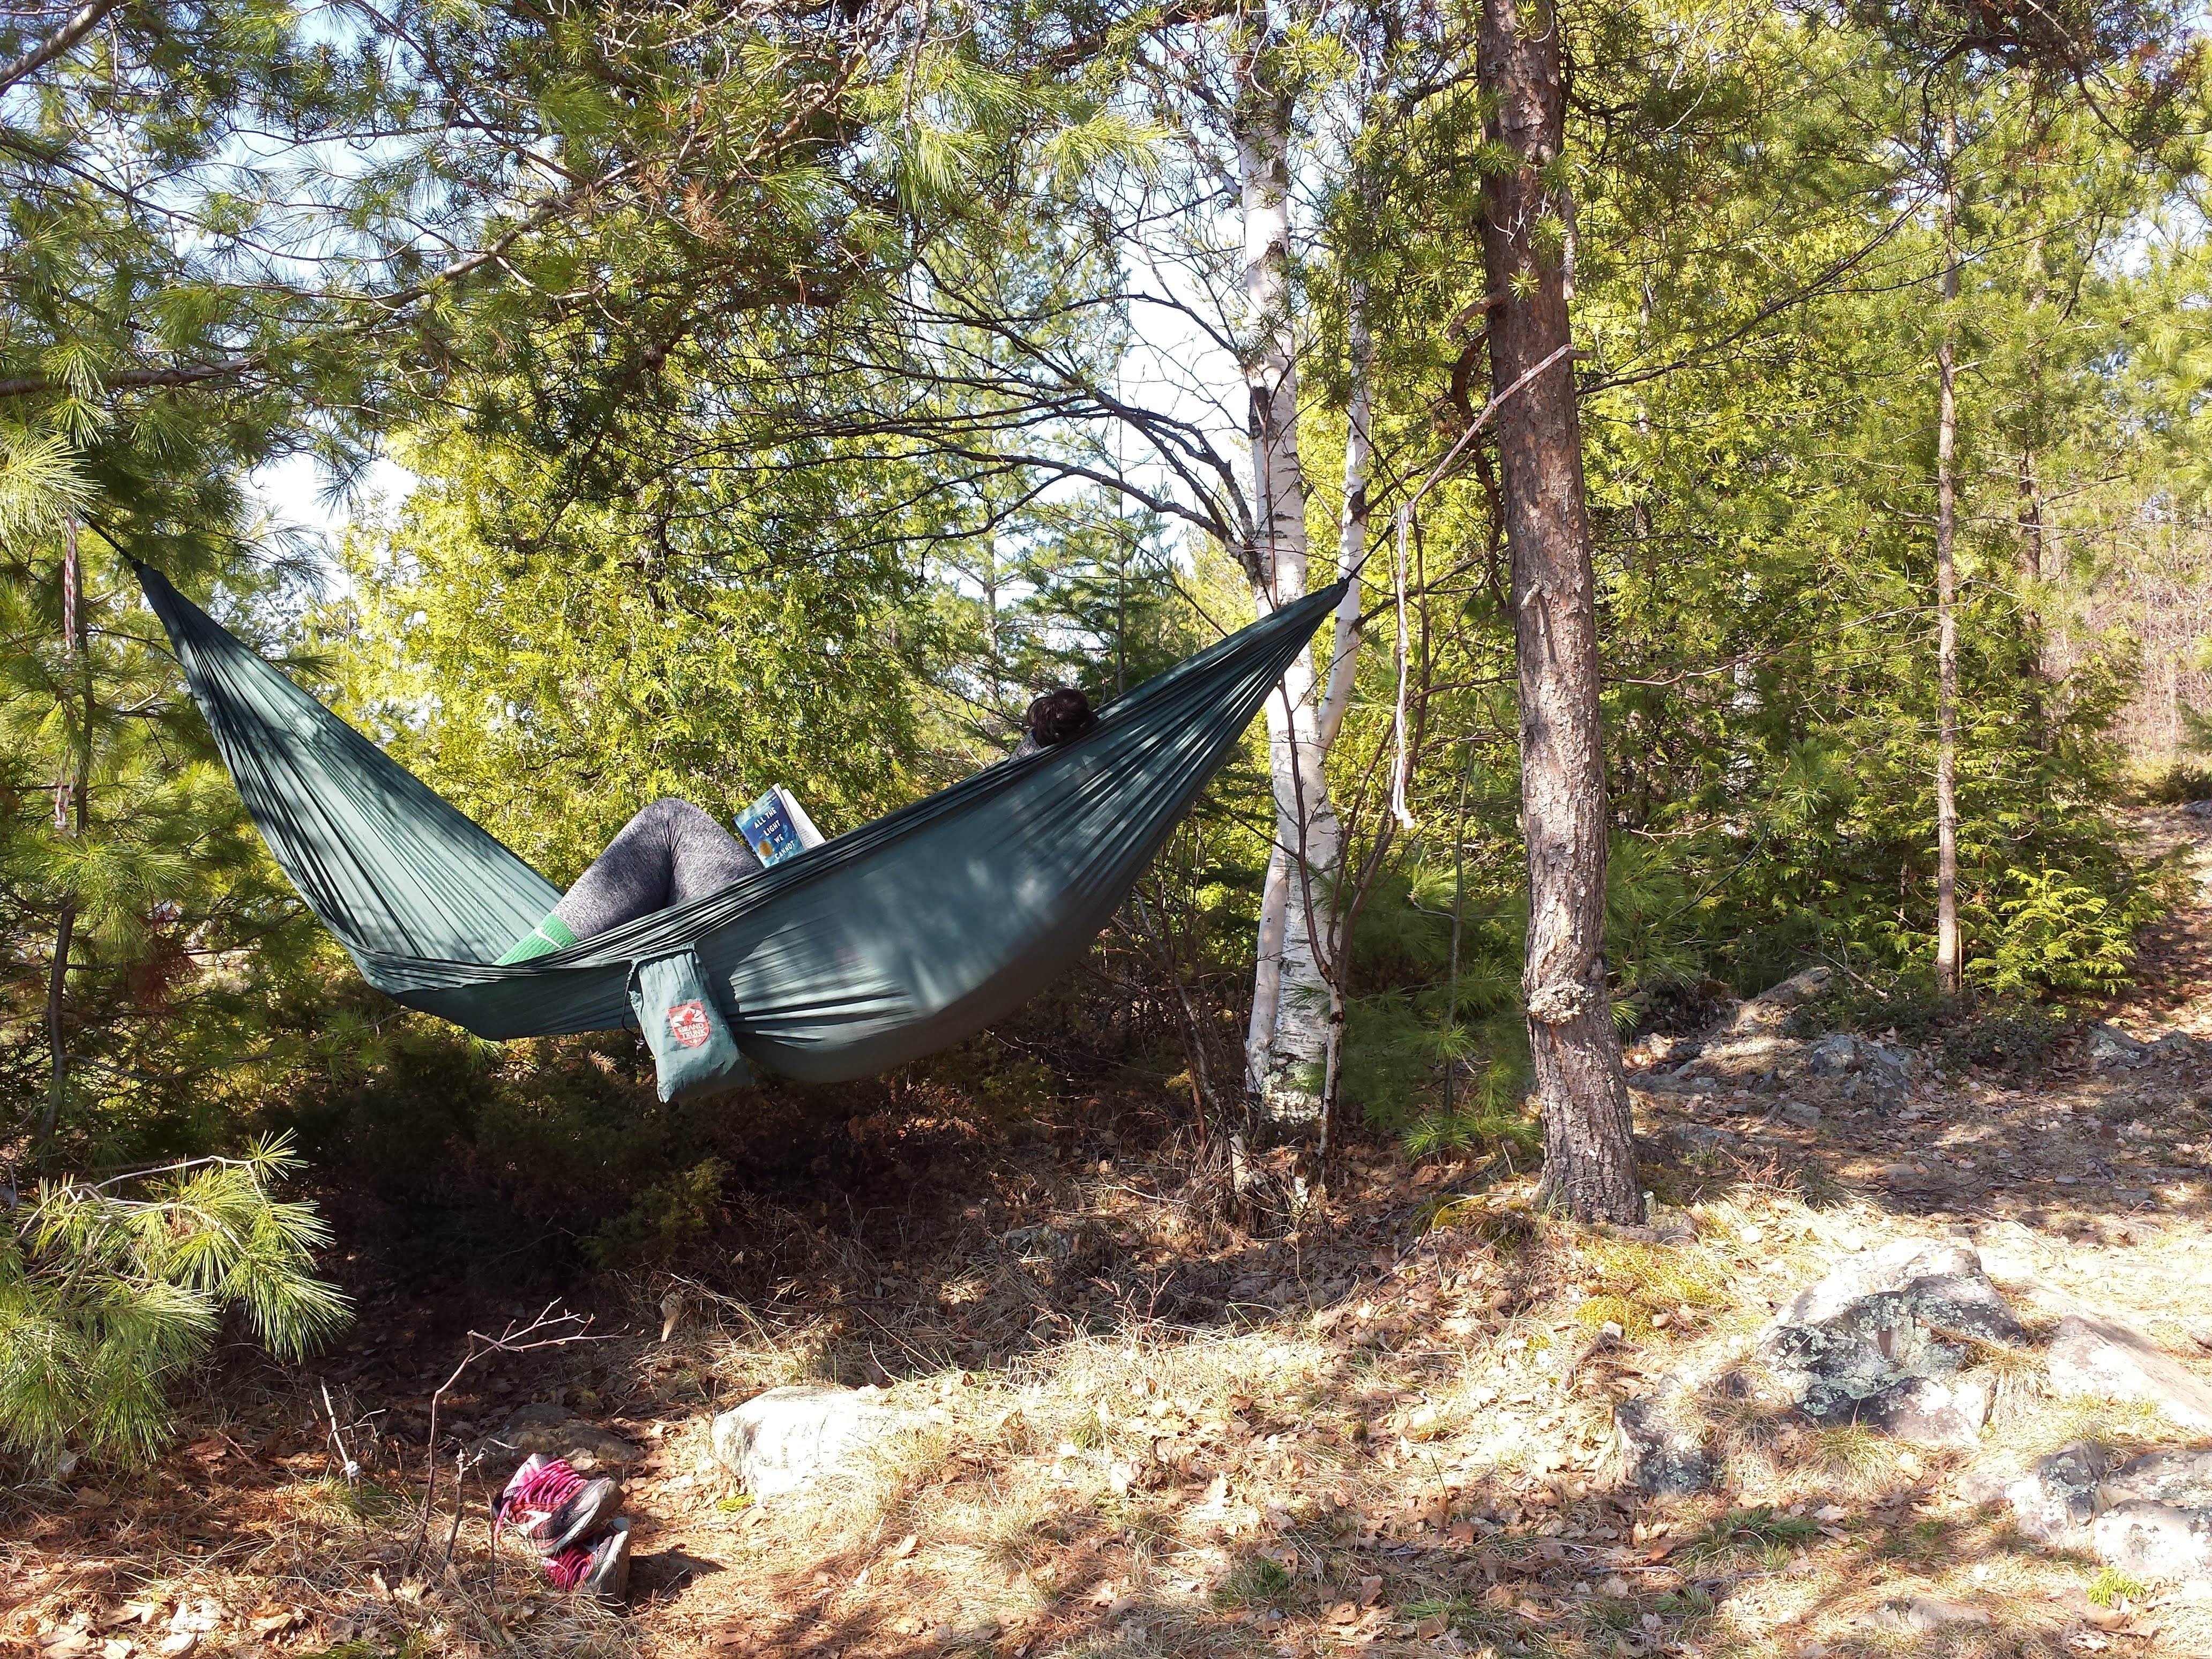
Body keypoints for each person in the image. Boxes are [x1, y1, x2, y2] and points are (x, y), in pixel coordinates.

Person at [495, 687, 1098, 964]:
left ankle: (523, 967)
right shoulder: (1005, 847)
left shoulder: (1003, 811)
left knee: (670, 819)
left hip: (792, 934)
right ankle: (570, 963)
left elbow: (1024, 769)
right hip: (802, 925)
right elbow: (1028, 770)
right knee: (675, 860)